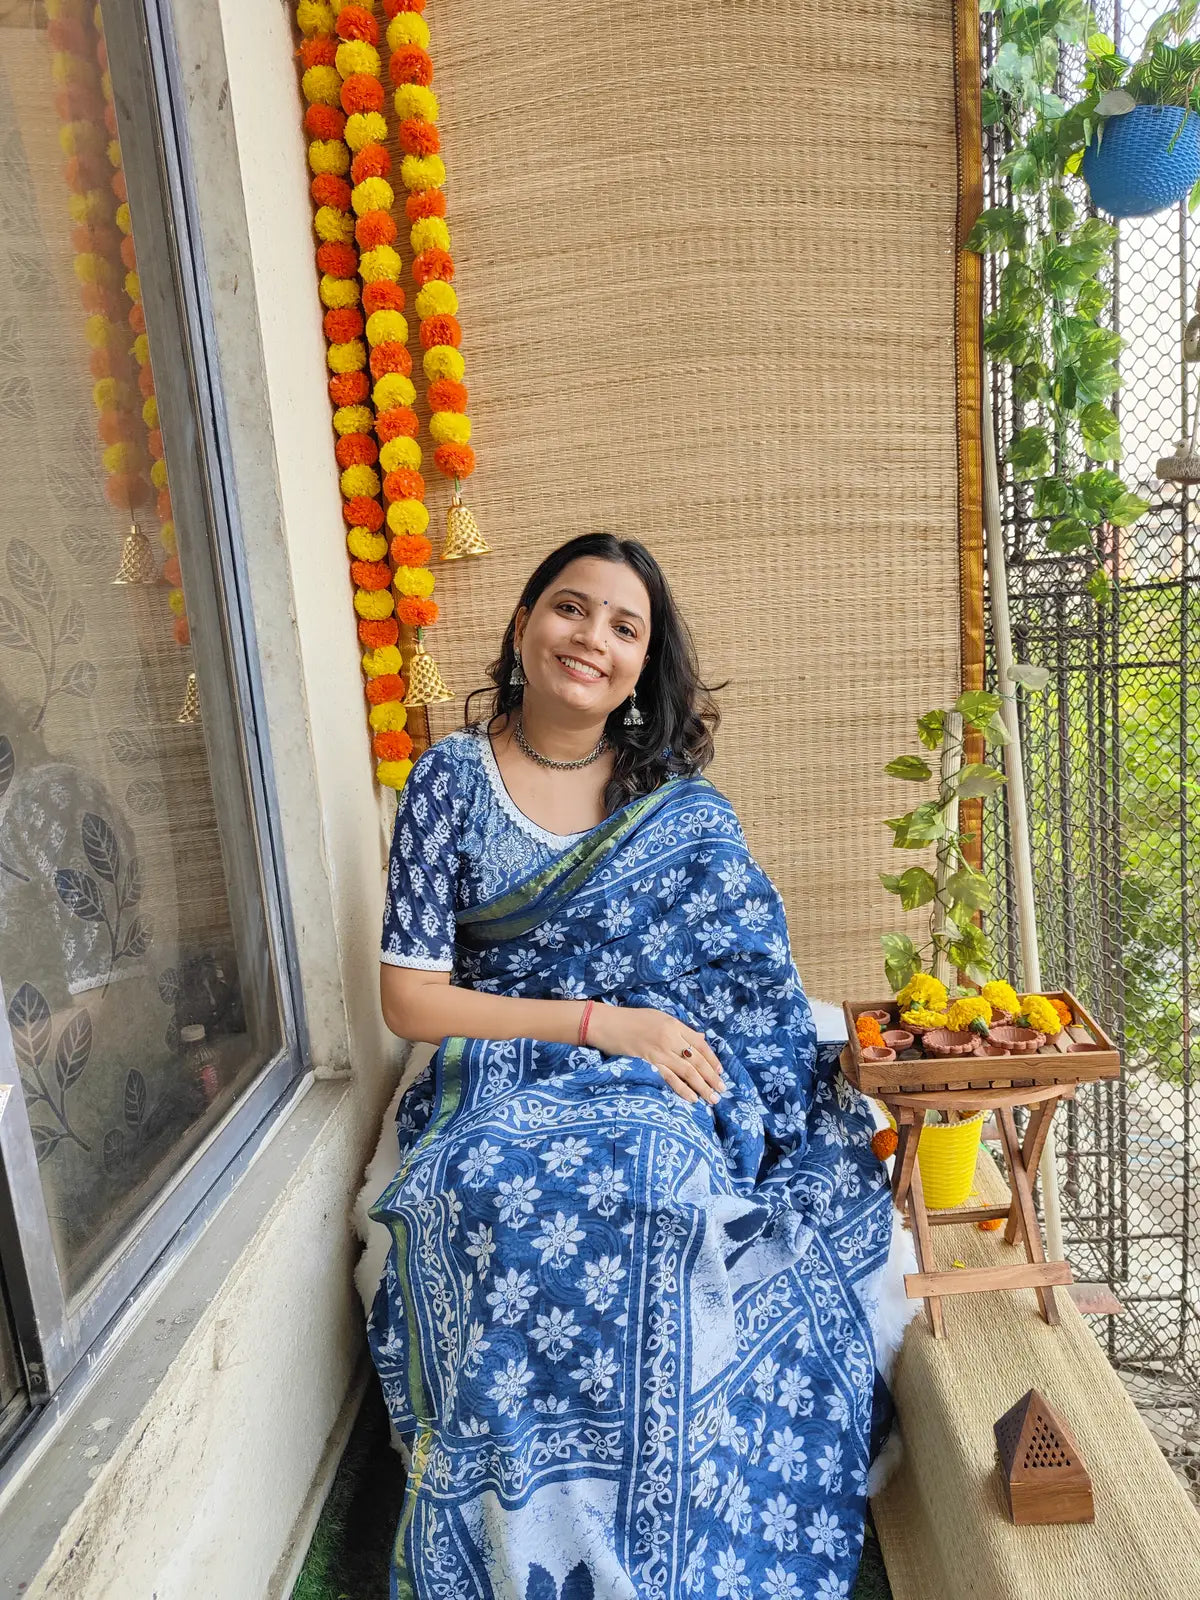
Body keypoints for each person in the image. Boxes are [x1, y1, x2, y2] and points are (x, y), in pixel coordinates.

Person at [369, 533, 897, 1600]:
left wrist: (672, 1047)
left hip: (660, 1074)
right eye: (571, 609)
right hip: (506, 1062)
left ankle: (660, 1546)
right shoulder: (450, 780)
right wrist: (600, 1023)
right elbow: (410, 999)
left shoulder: (678, 811)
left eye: (624, 627)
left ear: (643, 667)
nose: (591, 640)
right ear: (523, 626)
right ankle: (522, 1543)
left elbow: (745, 978)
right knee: (501, 1202)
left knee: (658, 1184)